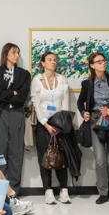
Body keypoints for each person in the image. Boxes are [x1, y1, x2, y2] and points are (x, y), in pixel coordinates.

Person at [77, 52, 109, 205]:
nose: (103, 63)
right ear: (92, 65)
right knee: (100, 160)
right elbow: (80, 103)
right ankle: (103, 192)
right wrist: (84, 113)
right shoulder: (87, 84)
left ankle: (103, 183)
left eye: (103, 61)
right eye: (99, 61)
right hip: (95, 122)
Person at [0, 43, 30, 196]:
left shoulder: (24, 74)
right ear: (6, 54)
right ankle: (0, 190)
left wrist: (5, 92)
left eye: (18, 52)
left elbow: (22, 97)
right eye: (13, 52)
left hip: (17, 113)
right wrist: (13, 92)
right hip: (0, 114)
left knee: (16, 152)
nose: (17, 55)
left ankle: (14, 192)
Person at [30, 52, 71, 205]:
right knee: (45, 157)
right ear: (42, 63)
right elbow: (36, 104)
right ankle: (48, 191)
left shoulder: (62, 79)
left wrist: (63, 124)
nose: (53, 62)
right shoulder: (37, 80)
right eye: (49, 60)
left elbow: (65, 104)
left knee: (62, 157)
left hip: (60, 124)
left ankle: (64, 190)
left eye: (54, 60)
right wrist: (46, 124)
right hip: (44, 124)